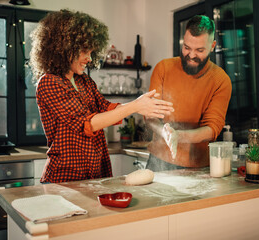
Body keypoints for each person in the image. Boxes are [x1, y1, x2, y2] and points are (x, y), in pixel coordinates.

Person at [30, 9, 174, 183]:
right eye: (85, 52)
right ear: (64, 48)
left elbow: (106, 109)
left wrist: (142, 105)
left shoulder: (84, 81)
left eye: (91, 52)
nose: (89, 59)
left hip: (96, 173)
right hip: (65, 177)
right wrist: (135, 106)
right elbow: (89, 123)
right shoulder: (49, 83)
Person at [145, 15, 232, 171]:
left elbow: (212, 128)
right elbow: (150, 117)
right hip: (158, 160)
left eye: (199, 50)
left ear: (212, 46)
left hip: (198, 166)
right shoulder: (164, 68)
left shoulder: (220, 80)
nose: (191, 55)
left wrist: (178, 136)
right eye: (186, 47)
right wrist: (164, 133)